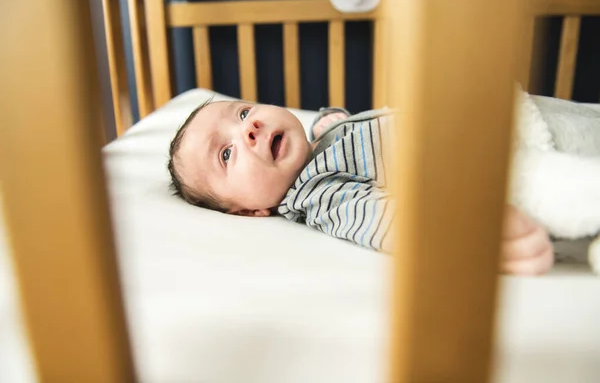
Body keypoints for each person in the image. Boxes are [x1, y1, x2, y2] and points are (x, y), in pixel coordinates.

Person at [167, 99, 554, 275]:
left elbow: (346, 131)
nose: (247, 128)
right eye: (225, 154)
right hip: (519, 151)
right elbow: (384, 219)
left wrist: (329, 122)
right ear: (249, 211)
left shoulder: (318, 147)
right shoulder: (319, 195)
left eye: (244, 112)